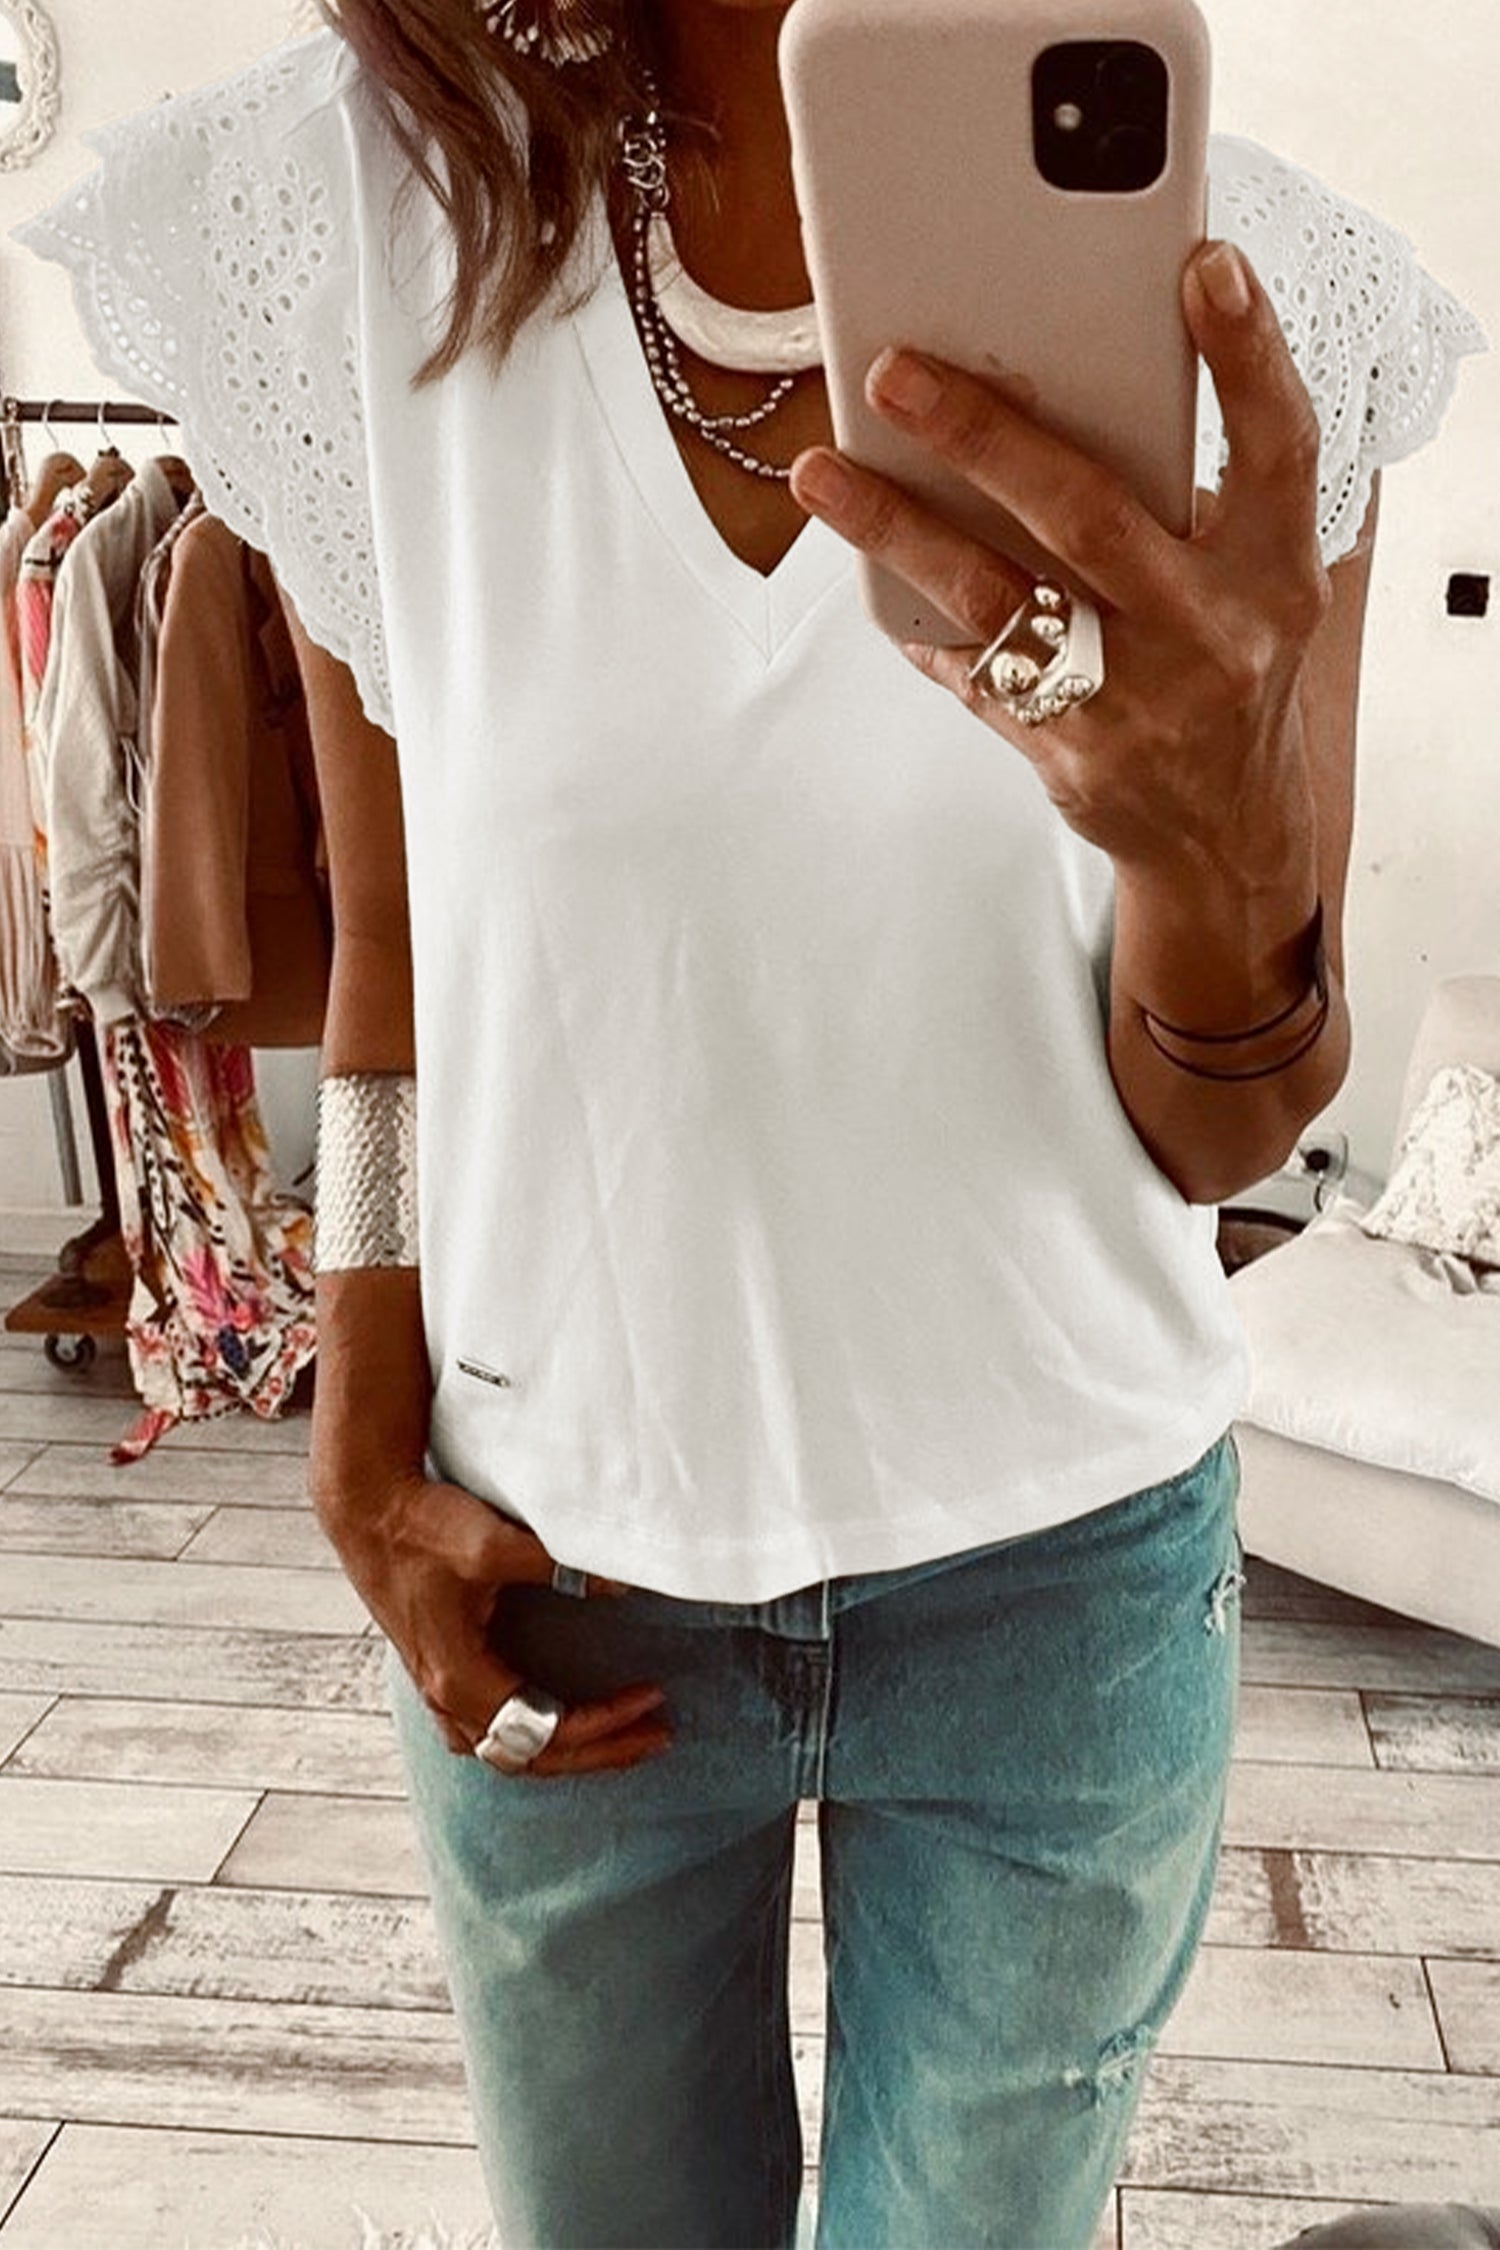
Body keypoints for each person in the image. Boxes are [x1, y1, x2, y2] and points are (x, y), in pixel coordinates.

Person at [17, 3, 1484, 2244]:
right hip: (556, 1565)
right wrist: (356, 1432)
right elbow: (399, 950)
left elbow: (1227, 1133)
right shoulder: (342, 222)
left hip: (1062, 1588)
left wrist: (1217, 850)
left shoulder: (1258, 300)